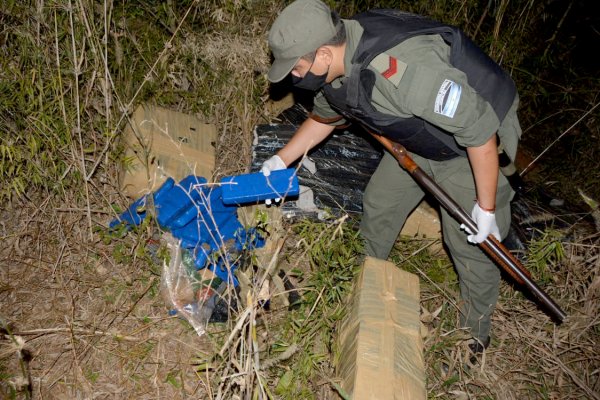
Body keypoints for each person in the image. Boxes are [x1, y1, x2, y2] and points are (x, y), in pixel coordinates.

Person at [262, 0, 522, 356]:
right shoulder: (333, 69)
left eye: (297, 68)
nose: (294, 77)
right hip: (421, 134)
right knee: (380, 201)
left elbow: (479, 130)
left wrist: (486, 207)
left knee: (468, 241)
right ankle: (367, 278)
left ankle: (474, 334)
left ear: (323, 53)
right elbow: (323, 120)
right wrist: (280, 160)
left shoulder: (403, 72)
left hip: (474, 141)